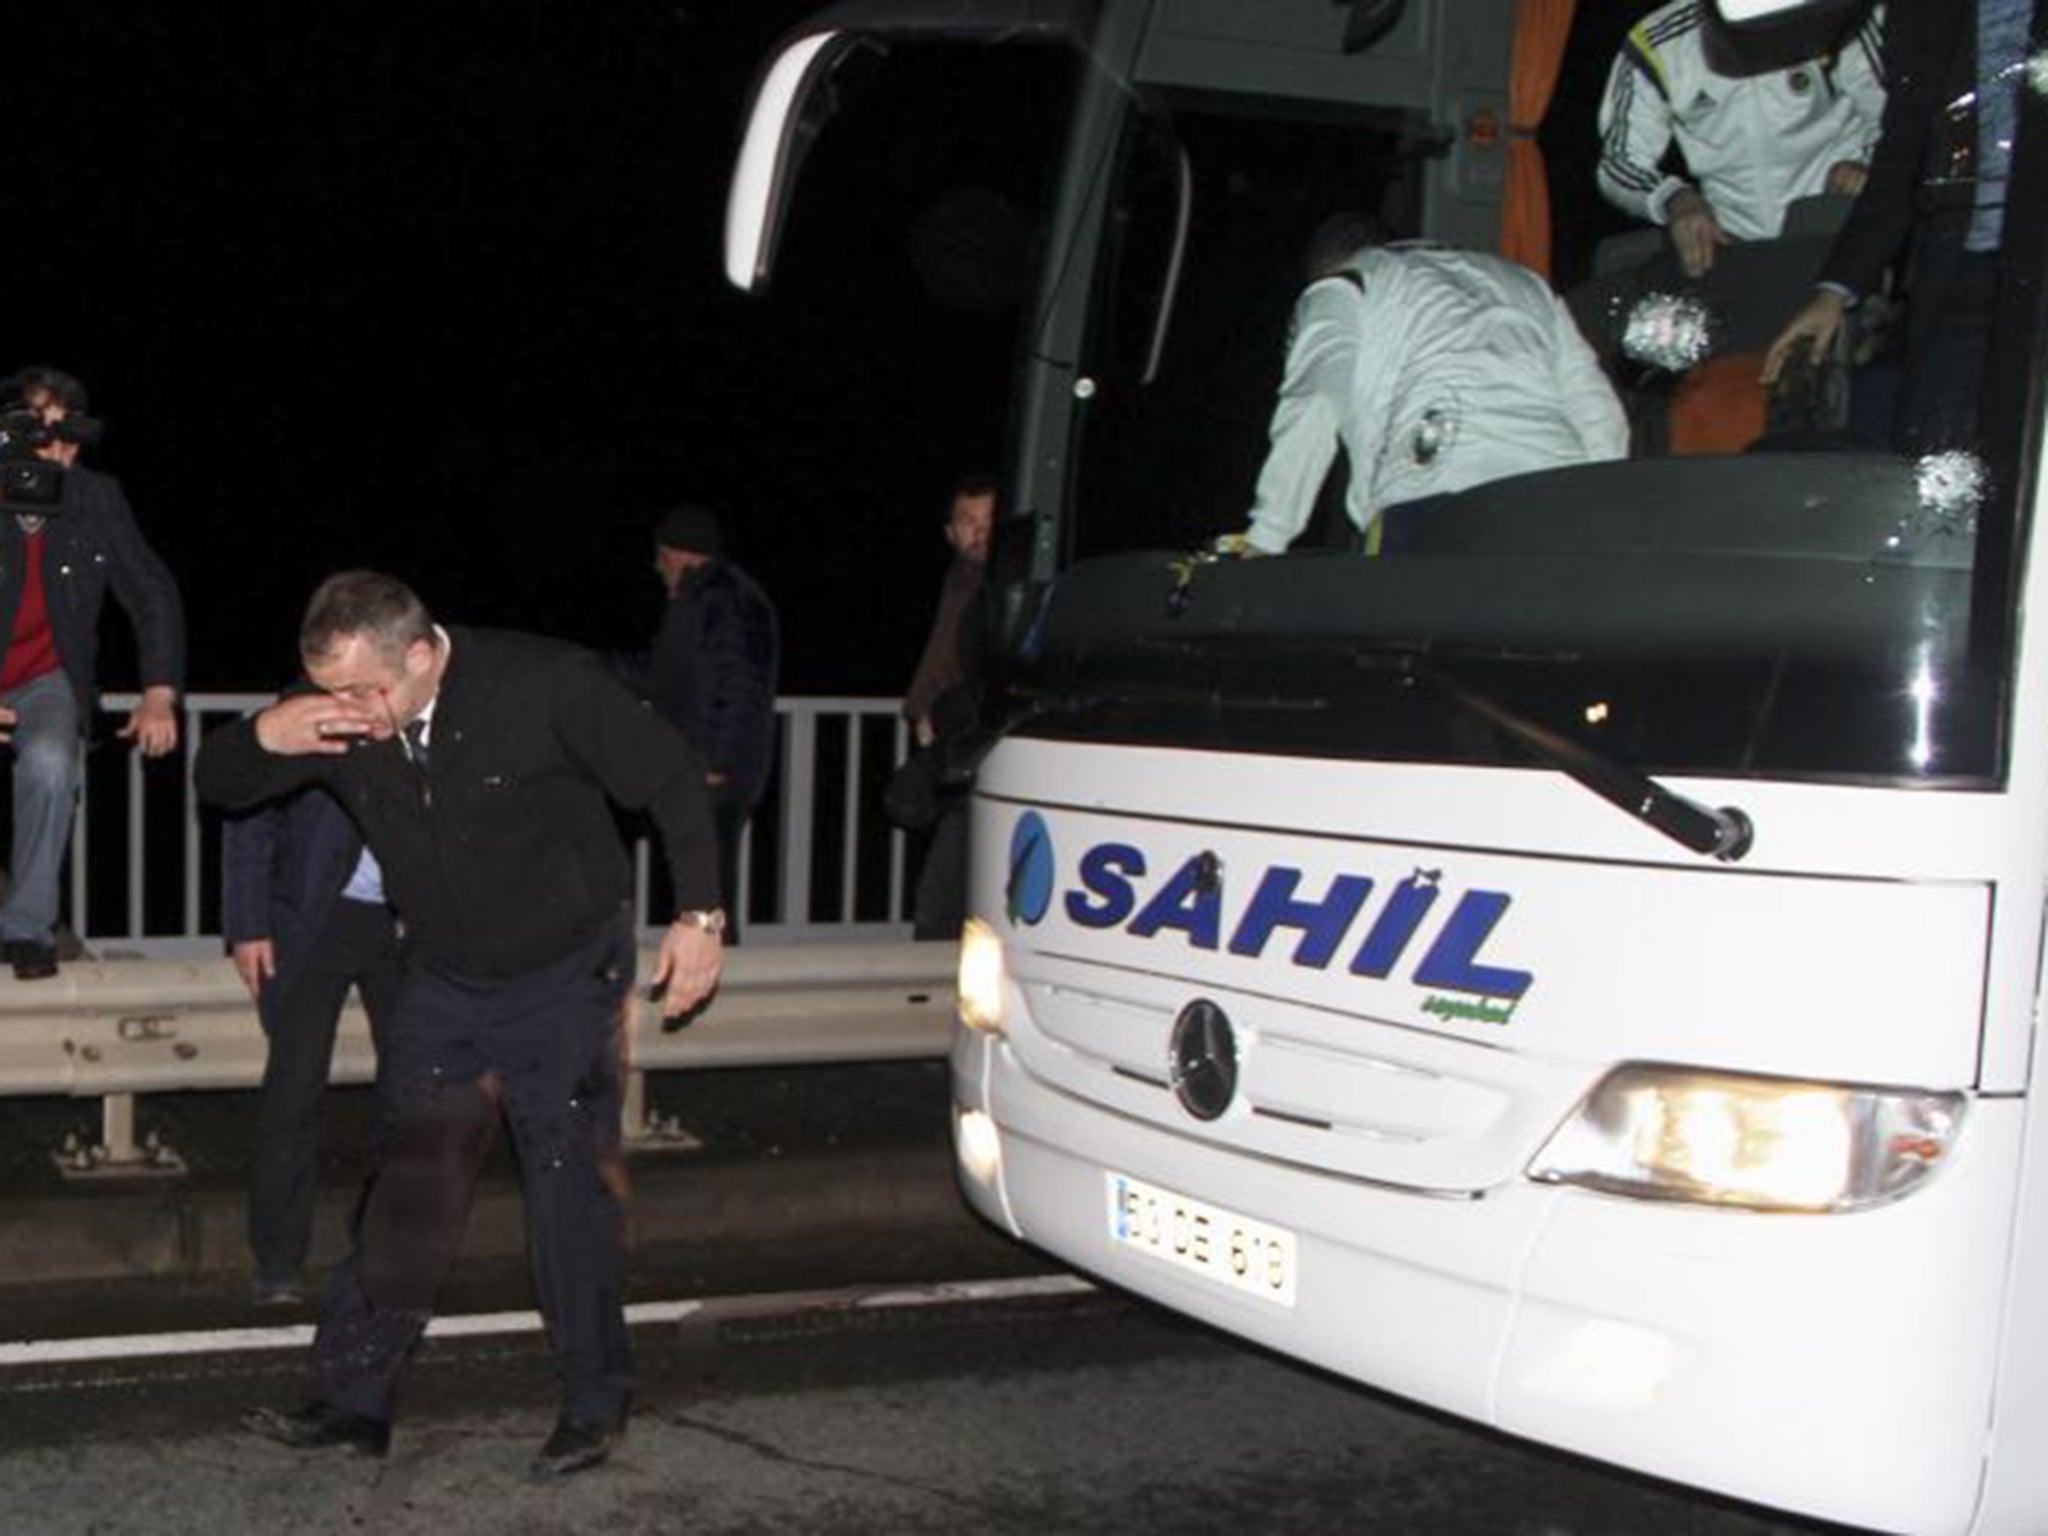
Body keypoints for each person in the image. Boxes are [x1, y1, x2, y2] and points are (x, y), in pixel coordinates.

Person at [195, 570, 724, 1478]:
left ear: (424, 653)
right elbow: (221, 784)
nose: (352, 712)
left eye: (368, 691)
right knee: (415, 1180)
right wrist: (264, 733)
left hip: (563, 968)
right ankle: (353, 1404)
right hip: (443, 976)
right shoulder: (339, 711)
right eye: (332, 693)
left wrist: (702, 918)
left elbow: (671, 777)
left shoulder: (544, 684)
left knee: (564, 1181)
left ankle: (596, 1402)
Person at [1230, 219, 1628, 555]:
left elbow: (1317, 397)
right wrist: (1595, 510)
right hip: (1560, 505)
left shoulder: (1342, 285)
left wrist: (1268, 533)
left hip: (1432, 505)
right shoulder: (1524, 282)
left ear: (1328, 265)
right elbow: (1599, 412)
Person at [1760, 0, 2041, 452]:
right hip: (1970, 266)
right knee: (1938, 461)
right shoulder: (1926, 11)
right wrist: (1835, 290)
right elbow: (1905, 147)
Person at [0, 366, 185, 980]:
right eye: (36, 431)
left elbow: (151, 591)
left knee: (52, 763)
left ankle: (25, 930)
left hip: (45, 677)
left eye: (65, 433)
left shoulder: (94, 499)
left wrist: (160, 694)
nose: (54, 447)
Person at [222, 785, 403, 1305]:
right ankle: (278, 1258)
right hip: (312, 915)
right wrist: (248, 924)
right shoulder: (307, 709)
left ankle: (385, 1240)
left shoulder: (444, 720)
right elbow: (248, 809)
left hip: (408, 920)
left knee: (416, 1087)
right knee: (294, 1086)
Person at [1597, 0, 1887, 277]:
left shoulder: (1830, 12)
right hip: (1729, 243)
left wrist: (1868, 165)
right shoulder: (1660, 41)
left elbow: (1899, 113)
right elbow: (1618, 162)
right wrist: (1675, 199)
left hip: (1836, 222)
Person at [613, 505, 778, 939]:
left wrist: (718, 761)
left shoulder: (724, 600)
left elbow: (741, 683)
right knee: (701, 882)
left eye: (661, 554)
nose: (656, 565)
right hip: (700, 763)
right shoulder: (706, 596)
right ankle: (707, 977)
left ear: (680, 554)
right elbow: (665, 674)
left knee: (707, 889)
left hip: (715, 771)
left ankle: (715, 983)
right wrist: (599, 668)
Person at [901, 476, 995, 940]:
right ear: (950, 532)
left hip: (979, 748)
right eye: (968, 521)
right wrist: (920, 708)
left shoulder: (1004, 587)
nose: (979, 532)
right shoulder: (958, 581)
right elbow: (940, 654)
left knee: (942, 902)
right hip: (949, 748)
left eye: (989, 520)